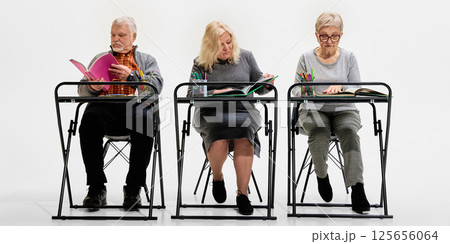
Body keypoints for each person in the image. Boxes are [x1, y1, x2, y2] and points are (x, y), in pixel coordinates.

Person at [187, 21, 275, 215]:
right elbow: (192, 94)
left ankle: (242, 194)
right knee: (219, 136)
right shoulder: (200, 63)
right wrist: (219, 92)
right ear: (210, 46)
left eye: (229, 42)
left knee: (243, 134)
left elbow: (258, 87)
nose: (227, 48)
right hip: (211, 112)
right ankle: (217, 177)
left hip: (243, 111)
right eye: (221, 45)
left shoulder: (246, 57)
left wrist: (266, 83)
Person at [77, 16, 163, 211]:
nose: (116, 39)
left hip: (134, 108)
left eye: (122, 35)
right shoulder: (100, 58)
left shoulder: (147, 60)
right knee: (88, 120)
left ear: (133, 36)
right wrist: (91, 86)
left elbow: (156, 88)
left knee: (146, 121)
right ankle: (96, 188)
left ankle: (133, 189)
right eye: (113, 35)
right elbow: (81, 90)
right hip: (104, 107)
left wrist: (131, 77)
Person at [293, 12, 370, 213]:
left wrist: (342, 88)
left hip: (344, 110)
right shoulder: (306, 58)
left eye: (334, 36)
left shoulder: (349, 57)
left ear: (340, 35)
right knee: (319, 131)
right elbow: (295, 90)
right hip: (314, 110)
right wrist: (306, 89)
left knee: (349, 132)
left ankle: (357, 188)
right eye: (324, 36)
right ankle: (321, 176)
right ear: (317, 36)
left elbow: (356, 88)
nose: (329, 41)